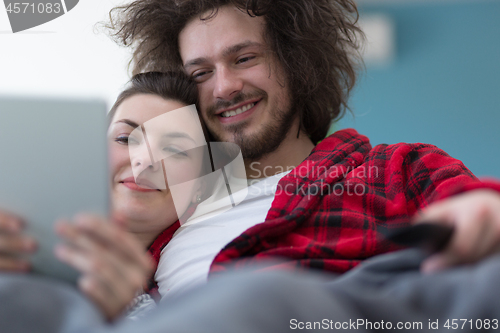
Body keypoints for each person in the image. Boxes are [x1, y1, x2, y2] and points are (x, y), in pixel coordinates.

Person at [0, 71, 209, 320]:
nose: (145, 160)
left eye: (175, 150)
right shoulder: (17, 230)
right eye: (125, 138)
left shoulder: (179, 309)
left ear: (201, 187)